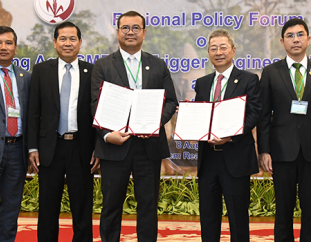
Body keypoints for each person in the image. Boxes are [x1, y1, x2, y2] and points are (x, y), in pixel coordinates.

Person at [91, 10, 178, 242]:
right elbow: (94, 105)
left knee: (148, 206)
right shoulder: (102, 66)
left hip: (148, 147)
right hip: (114, 147)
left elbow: (171, 102)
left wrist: (152, 124)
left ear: (144, 32)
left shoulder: (158, 65)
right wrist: (108, 134)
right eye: (125, 28)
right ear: (118, 32)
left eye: (136, 28)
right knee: (111, 206)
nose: (130, 32)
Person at [28, 21, 98, 242]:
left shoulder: (92, 72)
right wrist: (32, 147)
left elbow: (98, 113)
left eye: (72, 39)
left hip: (82, 148)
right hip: (50, 148)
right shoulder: (41, 71)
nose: (68, 43)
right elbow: (32, 112)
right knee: (48, 208)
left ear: (80, 42)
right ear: (54, 42)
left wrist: (98, 147)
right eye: (63, 39)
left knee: (83, 207)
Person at [193, 29, 261, 242]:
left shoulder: (249, 80)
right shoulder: (203, 83)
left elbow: (255, 113)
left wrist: (230, 135)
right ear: (208, 53)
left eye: (223, 47)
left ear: (233, 50)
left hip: (235, 156)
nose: (218, 52)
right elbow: (201, 114)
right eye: (213, 48)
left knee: (238, 217)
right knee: (208, 216)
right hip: (208, 158)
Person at [257, 18, 311, 241]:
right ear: (282, 41)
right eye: (290, 36)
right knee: (283, 210)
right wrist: (264, 150)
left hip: (310, 152)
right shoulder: (271, 72)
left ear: (308, 39)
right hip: (281, 152)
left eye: (300, 34)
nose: (295, 39)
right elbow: (263, 115)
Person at [0, 26, 31, 242]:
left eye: (8, 43)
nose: (3, 47)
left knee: (11, 206)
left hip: (17, 151)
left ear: (15, 48)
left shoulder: (25, 77)